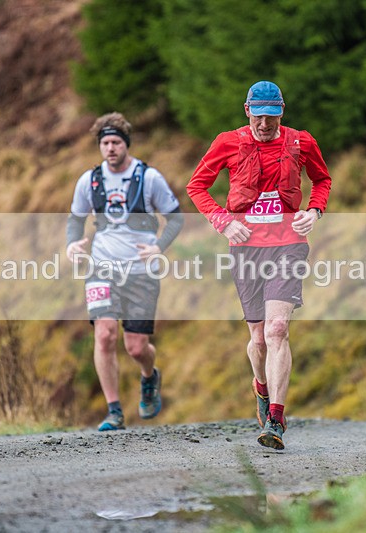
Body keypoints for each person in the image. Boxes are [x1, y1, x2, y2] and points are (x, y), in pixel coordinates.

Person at [186, 81, 331, 449]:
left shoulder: (300, 142)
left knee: (278, 329)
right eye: (259, 116)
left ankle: (276, 420)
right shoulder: (227, 143)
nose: (265, 124)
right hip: (247, 248)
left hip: (289, 246)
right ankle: (261, 388)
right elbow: (197, 186)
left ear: (281, 112)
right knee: (257, 339)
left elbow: (322, 179)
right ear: (246, 110)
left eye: (272, 117)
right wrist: (223, 221)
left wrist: (314, 212)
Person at [66, 112, 184, 431]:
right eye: (104, 143)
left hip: (140, 271)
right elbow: (75, 220)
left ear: (126, 144)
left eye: (116, 142)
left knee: (136, 347)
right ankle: (114, 410)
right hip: (102, 267)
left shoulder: (149, 178)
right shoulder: (90, 180)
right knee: (104, 334)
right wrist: (72, 245)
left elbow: (175, 218)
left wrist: (159, 246)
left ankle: (149, 376)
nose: (110, 148)